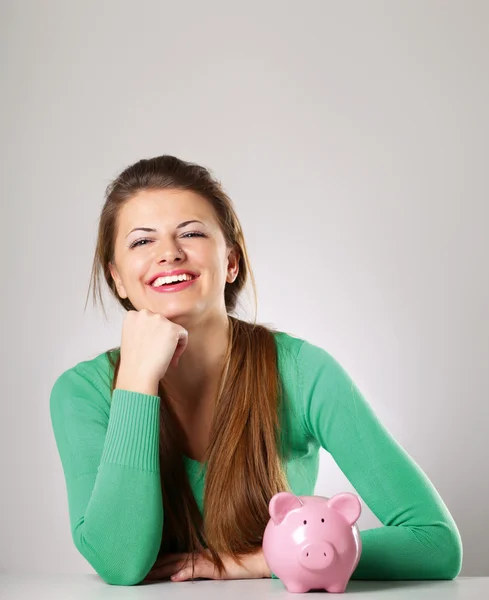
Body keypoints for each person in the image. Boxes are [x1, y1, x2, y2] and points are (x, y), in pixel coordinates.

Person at [50, 155, 463, 587]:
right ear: (117, 279)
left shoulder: (303, 371)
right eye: (142, 242)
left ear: (231, 262)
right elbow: (120, 563)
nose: (169, 253)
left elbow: (435, 545)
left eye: (190, 233)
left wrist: (261, 560)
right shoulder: (82, 392)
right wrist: (136, 382)